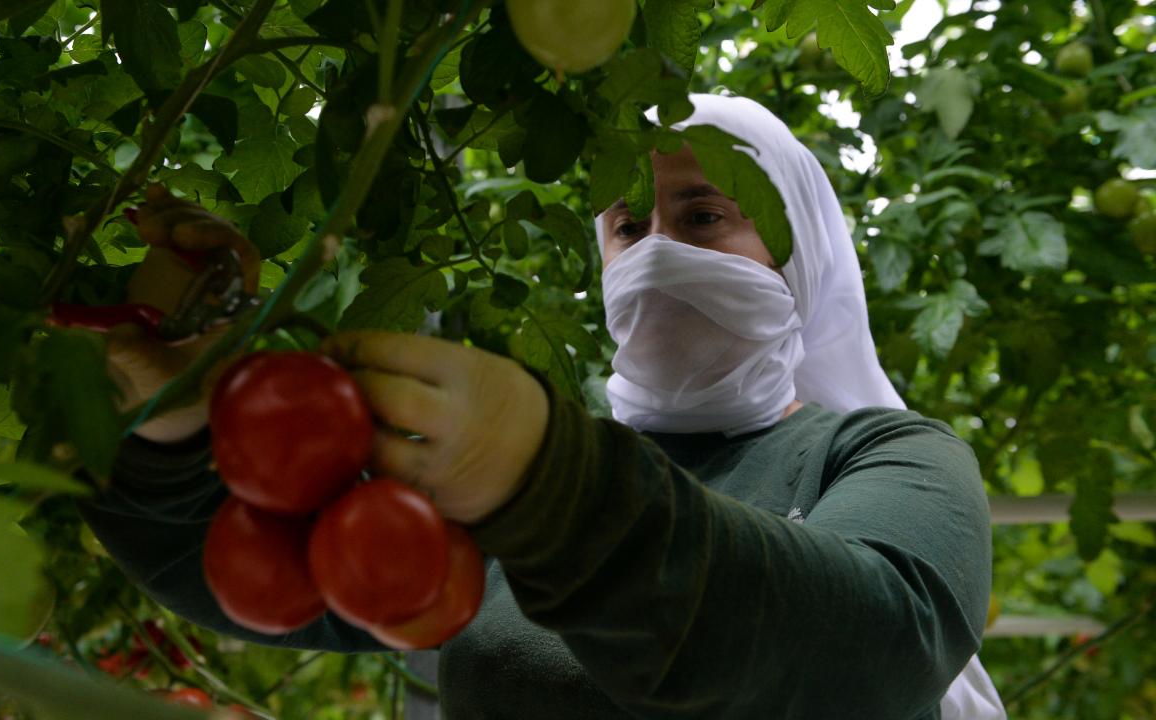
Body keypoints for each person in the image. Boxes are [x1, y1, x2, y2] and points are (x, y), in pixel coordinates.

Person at [81, 93, 1005, 719]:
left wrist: (548, 484)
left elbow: (880, 642)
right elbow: (240, 568)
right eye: (628, 228)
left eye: (702, 217)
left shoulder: (890, 456)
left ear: (797, 251)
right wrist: (170, 424)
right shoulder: (500, 464)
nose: (655, 252)